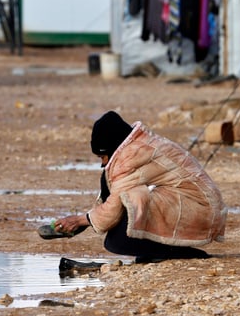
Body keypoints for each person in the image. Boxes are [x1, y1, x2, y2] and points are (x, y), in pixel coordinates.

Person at [38, 111, 227, 262]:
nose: (103, 163)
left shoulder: (130, 158)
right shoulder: (136, 144)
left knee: (118, 238)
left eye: (102, 157)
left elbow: (113, 207)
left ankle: (179, 253)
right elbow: (110, 190)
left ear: (111, 148)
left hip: (200, 211)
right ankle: (162, 250)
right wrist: (88, 220)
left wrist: (80, 221)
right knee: (127, 209)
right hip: (200, 208)